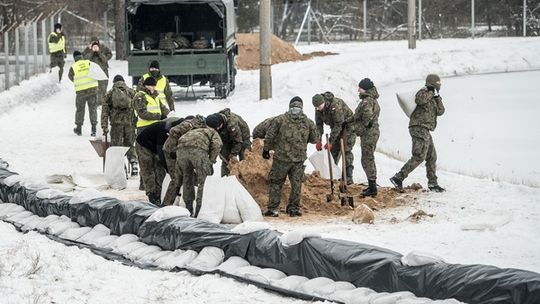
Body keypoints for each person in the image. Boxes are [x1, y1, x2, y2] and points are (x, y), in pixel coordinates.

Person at [263, 97, 318, 217]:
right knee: (296, 184)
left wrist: (266, 149)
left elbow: (270, 135)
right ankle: (293, 208)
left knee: (276, 182)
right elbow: (315, 139)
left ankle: (273, 209)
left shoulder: (280, 120)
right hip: (298, 160)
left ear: (289, 106)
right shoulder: (308, 122)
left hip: (281, 159)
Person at [390, 74, 446, 192]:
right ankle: (398, 177)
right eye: (438, 83)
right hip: (419, 128)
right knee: (419, 156)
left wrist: (437, 97)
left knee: (431, 157)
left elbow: (441, 111)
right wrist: (431, 92)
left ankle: (432, 183)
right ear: (433, 83)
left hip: (425, 129)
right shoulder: (423, 91)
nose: (440, 85)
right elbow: (419, 100)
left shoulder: (434, 95)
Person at [175, 121, 223, 217]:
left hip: (180, 151)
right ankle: (199, 211)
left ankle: (188, 209)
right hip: (198, 150)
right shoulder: (212, 132)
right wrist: (211, 160)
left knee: (187, 179)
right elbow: (218, 145)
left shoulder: (191, 131)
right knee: (204, 181)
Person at [136, 117, 184, 206]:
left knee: (160, 172)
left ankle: (158, 194)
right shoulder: (164, 130)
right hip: (144, 144)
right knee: (148, 170)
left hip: (155, 145)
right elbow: (161, 150)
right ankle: (151, 195)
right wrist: (167, 167)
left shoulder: (180, 130)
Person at [162, 115, 207, 206]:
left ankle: (187, 203)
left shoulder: (195, 127)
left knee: (188, 176)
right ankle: (166, 204)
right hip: (171, 152)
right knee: (176, 179)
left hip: (181, 152)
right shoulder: (187, 125)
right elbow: (173, 131)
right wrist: (174, 149)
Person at [312, 91, 356, 185]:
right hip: (336, 128)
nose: (317, 109)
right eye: (316, 108)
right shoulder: (318, 109)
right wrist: (318, 140)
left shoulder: (335, 105)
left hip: (348, 127)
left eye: (319, 107)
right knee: (333, 152)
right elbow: (319, 125)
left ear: (323, 103)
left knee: (346, 150)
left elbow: (338, 124)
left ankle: (348, 177)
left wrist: (331, 141)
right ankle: (332, 175)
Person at [101, 75, 138, 174]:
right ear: (123, 81)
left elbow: (105, 111)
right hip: (129, 123)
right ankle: (134, 162)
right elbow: (138, 107)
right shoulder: (131, 92)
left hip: (116, 124)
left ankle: (122, 167)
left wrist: (104, 126)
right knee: (129, 144)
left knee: (116, 147)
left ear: (114, 82)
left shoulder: (110, 93)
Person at [354, 78, 381, 197]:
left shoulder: (367, 101)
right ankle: (371, 186)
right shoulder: (372, 100)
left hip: (369, 134)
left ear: (364, 89)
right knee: (367, 158)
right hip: (372, 132)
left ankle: (372, 187)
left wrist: (361, 128)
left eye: (360, 88)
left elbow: (367, 116)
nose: (358, 90)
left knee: (367, 159)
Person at [68, 51, 98, 136]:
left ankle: (78, 129)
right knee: (93, 109)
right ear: (81, 56)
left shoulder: (73, 67)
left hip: (81, 92)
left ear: (74, 58)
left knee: (80, 110)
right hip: (92, 90)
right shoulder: (89, 63)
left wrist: (78, 81)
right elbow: (96, 72)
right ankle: (94, 129)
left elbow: (70, 76)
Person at [205, 111, 244, 177]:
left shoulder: (231, 124)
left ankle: (244, 175)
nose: (217, 129)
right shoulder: (211, 122)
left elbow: (238, 141)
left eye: (218, 127)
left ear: (221, 123)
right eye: (215, 128)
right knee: (225, 157)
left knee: (243, 153)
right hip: (225, 137)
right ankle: (226, 178)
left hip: (241, 135)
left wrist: (233, 154)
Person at [84, 36, 113, 104]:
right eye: (93, 43)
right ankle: (95, 103)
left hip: (103, 71)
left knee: (103, 87)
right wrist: (91, 51)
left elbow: (106, 58)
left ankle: (103, 102)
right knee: (93, 88)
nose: (94, 44)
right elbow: (85, 59)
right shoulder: (88, 49)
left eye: (96, 43)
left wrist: (99, 52)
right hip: (92, 71)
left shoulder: (103, 47)